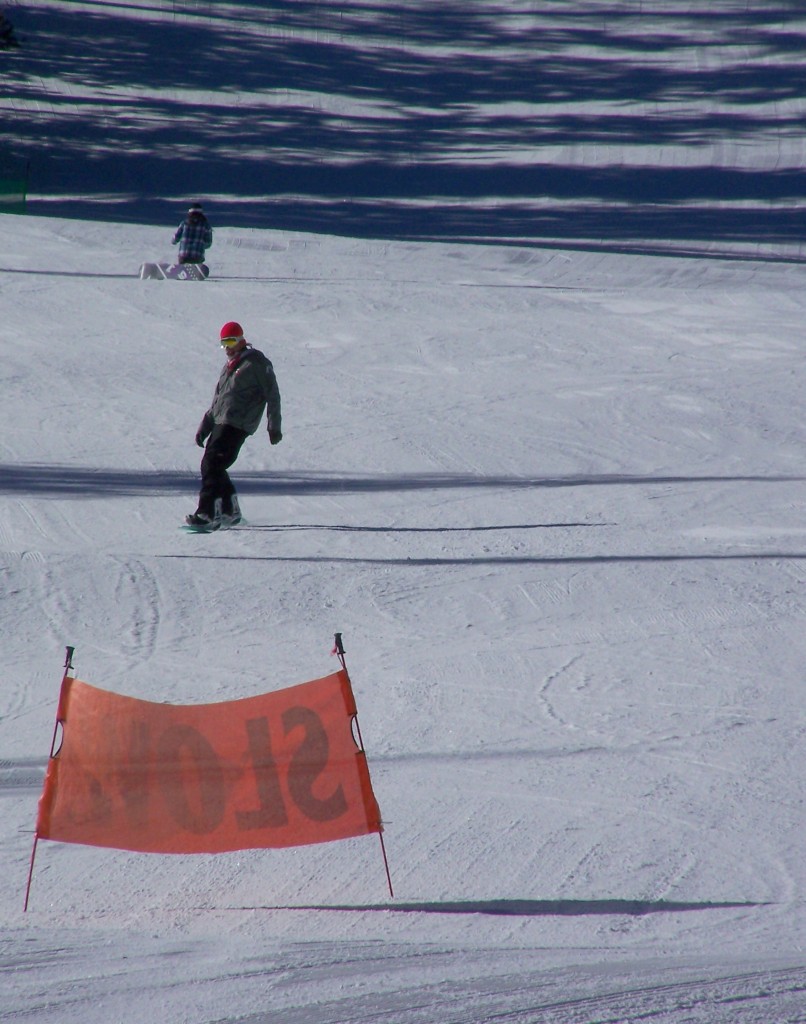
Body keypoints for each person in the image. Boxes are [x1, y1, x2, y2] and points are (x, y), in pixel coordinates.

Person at [186, 321, 282, 530]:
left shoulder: (256, 363)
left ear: (241, 340)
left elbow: (272, 394)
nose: (227, 348)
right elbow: (218, 401)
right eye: (223, 343)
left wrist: (274, 425)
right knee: (213, 465)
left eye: (230, 342)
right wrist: (205, 426)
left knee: (212, 463)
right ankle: (230, 510)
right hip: (222, 421)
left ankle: (207, 513)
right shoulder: (228, 367)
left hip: (239, 423)